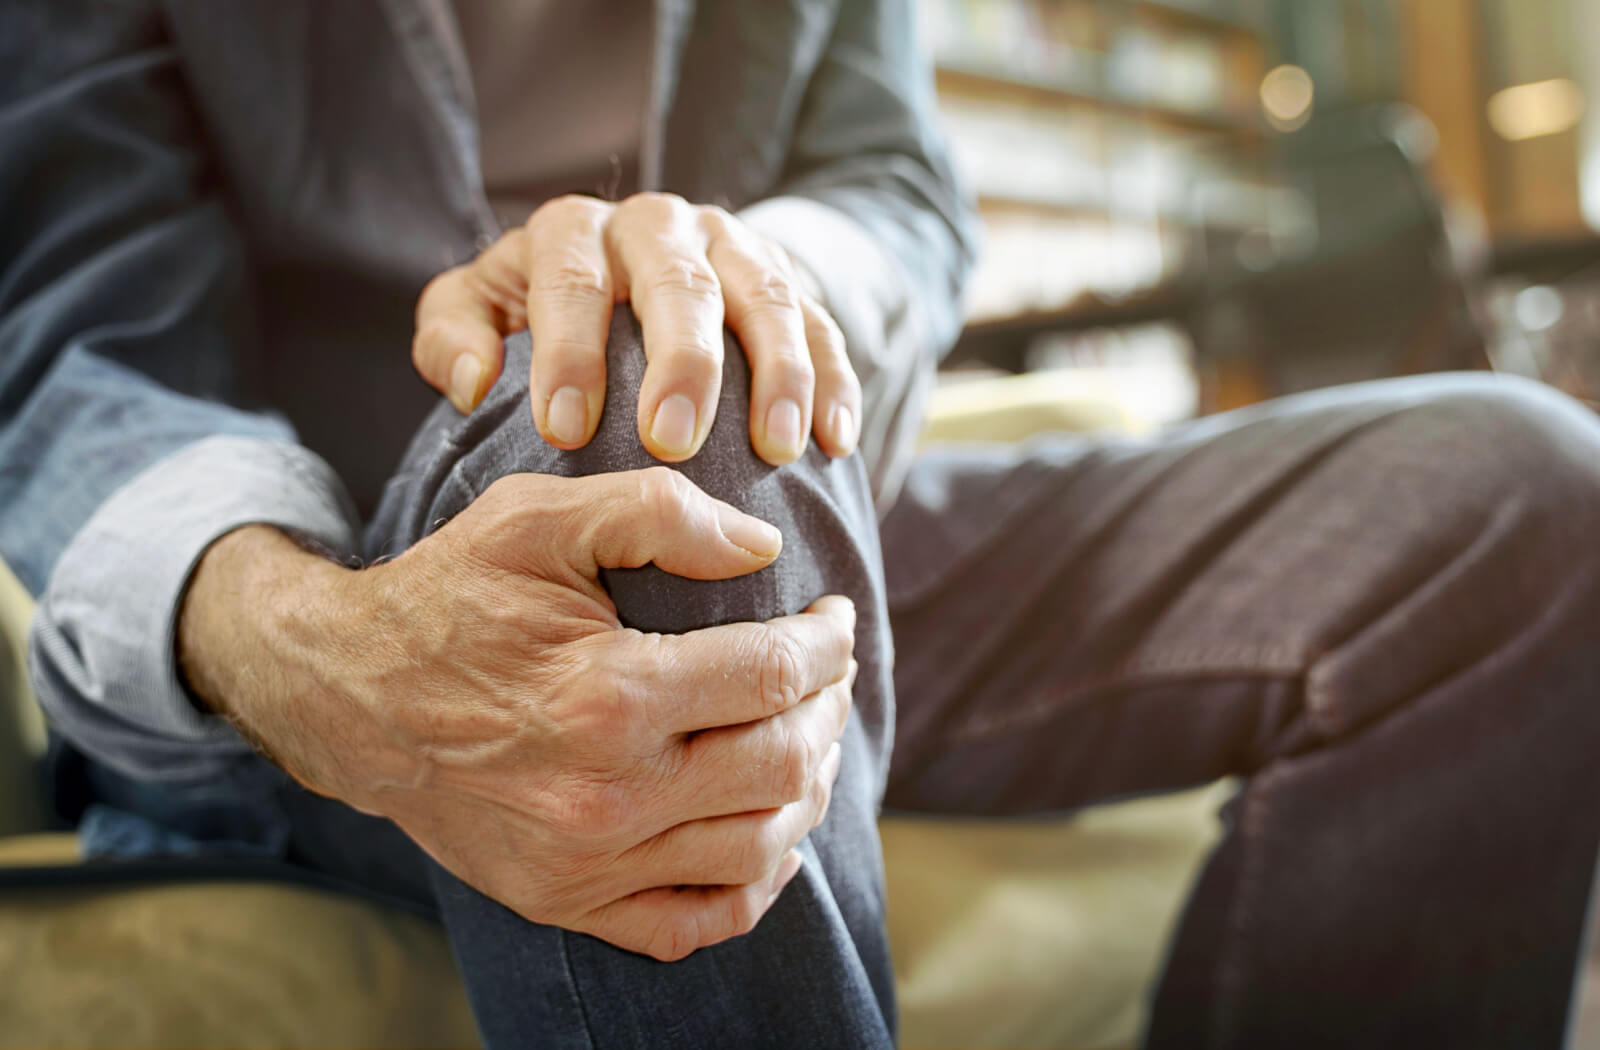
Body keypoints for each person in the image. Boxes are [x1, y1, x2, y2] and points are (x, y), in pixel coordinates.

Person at [3, 2, 1598, 1047]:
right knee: (638, 457)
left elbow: (896, 180)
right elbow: (80, 348)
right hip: (364, 565)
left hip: (815, 499)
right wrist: (311, 648)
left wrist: (757, 285)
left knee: (1520, 503)